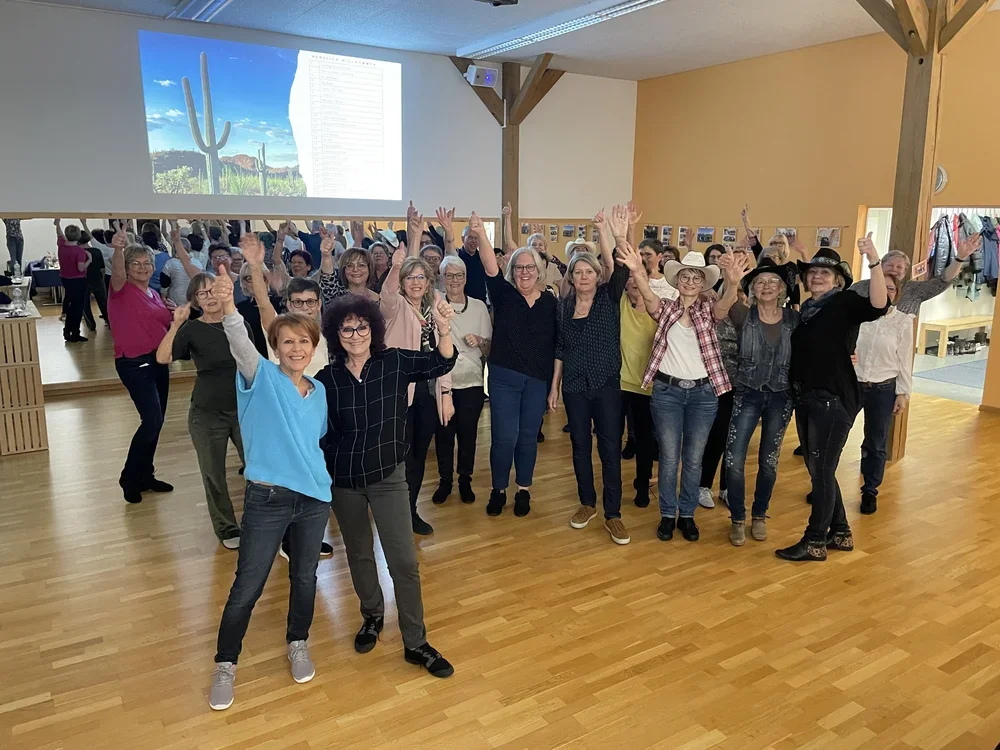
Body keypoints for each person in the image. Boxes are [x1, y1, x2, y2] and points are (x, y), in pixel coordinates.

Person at [209, 271, 332, 711]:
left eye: (304, 342)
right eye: (287, 343)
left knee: (304, 577)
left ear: (312, 348)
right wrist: (227, 308)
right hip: (267, 498)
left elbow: (314, 440)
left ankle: (298, 641)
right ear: (275, 348)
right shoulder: (258, 377)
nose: (296, 349)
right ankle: (226, 663)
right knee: (248, 584)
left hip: (314, 499)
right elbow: (241, 342)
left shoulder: (318, 392)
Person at [315, 295, 456, 678]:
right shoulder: (326, 380)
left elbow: (441, 361)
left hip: (389, 477)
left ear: (373, 330)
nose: (356, 334)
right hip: (344, 481)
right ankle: (372, 616)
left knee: (404, 562)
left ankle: (416, 642)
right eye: (347, 328)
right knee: (359, 555)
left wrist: (444, 329)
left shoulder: (393, 361)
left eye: (362, 327)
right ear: (336, 334)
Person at [619, 243, 746, 542]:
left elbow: (726, 304)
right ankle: (667, 515)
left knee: (693, 458)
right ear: (677, 281)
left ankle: (686, 515)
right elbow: (648, 296)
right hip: (667, 393)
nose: (690, 282)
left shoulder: (709, 311)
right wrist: (637, 270)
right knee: (669, 458)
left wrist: (734, 281)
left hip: (703, 395)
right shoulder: (665, 309)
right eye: (685, 277)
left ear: (703, 284)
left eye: (696, 278)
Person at [776, 235, 889, 562]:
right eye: (812, 272)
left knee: (822, 471)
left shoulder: (844, 303)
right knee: (818, 468)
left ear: (839, 280)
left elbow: (879, 305)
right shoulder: (808, 310)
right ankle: (840, 532)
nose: (816, 276)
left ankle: (814, 541)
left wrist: (874, 261)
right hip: (808, 398)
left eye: (825, 273)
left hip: (833, 400)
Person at [240, 234, 335, 559]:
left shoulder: (326, 336)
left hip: (316, 416)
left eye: (311, 302)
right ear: (288, 305)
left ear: (319, 304)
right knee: (289, 482)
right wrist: (255, 265)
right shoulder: (282, 333)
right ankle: (286, 540)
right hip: (284, 420)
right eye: (298, 303)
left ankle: (308, 537)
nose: (306, 308)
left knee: (314, 480)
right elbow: (264, 304)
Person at [551, 206, 631, 545]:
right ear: (570, 277)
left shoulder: (609, 298)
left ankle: (613, 514)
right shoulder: (564, 307)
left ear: (597, 275)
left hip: (607, 385)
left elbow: (621, 267)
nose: (583, 277)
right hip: (573, 387)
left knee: (610, 449)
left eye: (588, 271)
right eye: (577, 272)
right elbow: (559, 348)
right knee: (580, 445)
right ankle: (588, 503)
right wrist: (554, 388)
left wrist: (611, 232)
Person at [473, 212, 557, 518]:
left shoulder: (550, 302)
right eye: (519, 267)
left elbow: (556, 347)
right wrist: (482, 232)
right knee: (503, 437)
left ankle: (523, 489)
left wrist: (553, 386)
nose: (524, 272)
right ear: (512, 270)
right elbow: (488, 264)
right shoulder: (503, 294)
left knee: (526, 438)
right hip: (504, 377)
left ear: (539, 271)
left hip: (537, 380)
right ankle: (498, 489)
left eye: (530, 267)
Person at [155, 273, 248, 549]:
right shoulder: (193, 330)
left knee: (258, 470)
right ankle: (227, 528)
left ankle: (261, 521)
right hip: (207, 414)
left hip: (243, 409)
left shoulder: (237, 322)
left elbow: (253, 363)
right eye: (201, 294)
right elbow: (163, 357)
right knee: (214, 474)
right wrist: (176, 324)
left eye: (212, 291)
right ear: (195, 301)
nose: (208, 297)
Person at [380, 204, 455, 535]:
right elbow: (386, 295)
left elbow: (445, 353)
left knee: (418, 455)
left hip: (429, 392)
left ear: (429, 281)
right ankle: (391, 513)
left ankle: (409, 511)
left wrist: (448, 393)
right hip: (399, 394)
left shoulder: (436, 304)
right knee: (396, 456)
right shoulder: (395, 307)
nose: (415, 282)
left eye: (420, 276)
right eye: (410, 277)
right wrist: (398, 265)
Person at [723, 258, 800, 546]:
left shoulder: (795, 319)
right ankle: (737, 519)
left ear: (782, 288)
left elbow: (815, 349)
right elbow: (723, 307)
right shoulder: (744, 315)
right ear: (752, 288)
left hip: (781, 397)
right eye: (760, 281)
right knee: (733, 461)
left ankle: (759, 515)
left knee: (769, 462)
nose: (766, 286)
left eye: (773, 282)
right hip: (748, 394)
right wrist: (732, 281)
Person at [107, 226, 174, 504]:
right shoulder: (120, 289)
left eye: (147, 263)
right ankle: (129, 477)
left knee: (156, 423)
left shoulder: (155, 294)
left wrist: (170, 312)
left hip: (158, 362)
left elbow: (161, 325)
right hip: (134, 363)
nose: (143, 268)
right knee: (151, 421)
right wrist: (119, 249)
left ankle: (146, 474)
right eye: (136, 264)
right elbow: (119, 272)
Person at [432, 255, 491, 505]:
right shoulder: (434, 306)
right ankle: (445, 480)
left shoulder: (478, 307)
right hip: (443, 383)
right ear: (442, 278)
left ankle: (464, 479)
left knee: (468, 435)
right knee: (444, 435)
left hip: (472, 384)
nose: (454, 280)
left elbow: (489, 347)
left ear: (466, 278)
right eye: (449, 275)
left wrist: (480, 340)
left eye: (459, 275)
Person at [853, 275, 913, 515]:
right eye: (880, 287)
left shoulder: (902, 322)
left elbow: (905, 359)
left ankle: (870, 491)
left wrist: (903, 393)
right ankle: (824, 487)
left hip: (883, 388)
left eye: (890, 288)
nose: (885, 292)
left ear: (896, 293)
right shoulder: (857, 317)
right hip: (852, 384)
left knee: (875, 442)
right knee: (835, 437)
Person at [850, 236, 981, 316]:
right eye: (890, 265)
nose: (894, 270)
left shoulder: (914, 290)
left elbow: (944, 280)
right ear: (881, 266)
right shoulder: (860, 287)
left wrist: (960, 258)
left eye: (899, 267)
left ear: (905, 271)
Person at [54, 219, 91, 343]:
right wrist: (89, 260)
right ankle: (74, 332)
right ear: (79, 236)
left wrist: (57, 224)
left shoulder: (62, 245)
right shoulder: (79, 251)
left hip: (65, 279)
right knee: (78, 308)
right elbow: (81, 268)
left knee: (71, 306)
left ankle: (68, 331)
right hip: (78, 281)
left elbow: (59, 234)